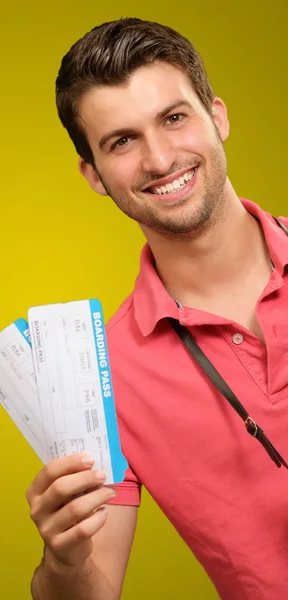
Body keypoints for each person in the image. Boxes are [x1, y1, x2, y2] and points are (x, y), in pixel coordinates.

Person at [26, 18, 288, 600]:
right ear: (93, 176)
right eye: (122, 141)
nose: (161, 157)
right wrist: (64, 564)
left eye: (174, 118)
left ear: (216, 116)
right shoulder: (98, 378)